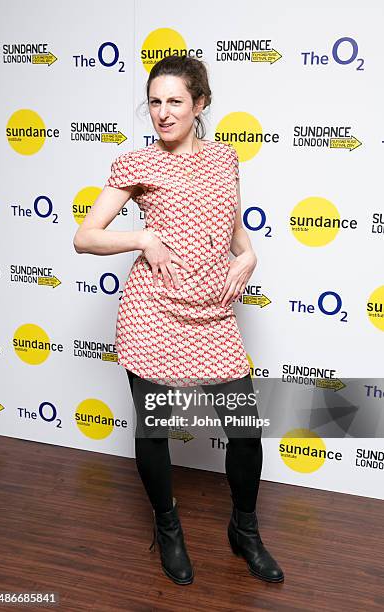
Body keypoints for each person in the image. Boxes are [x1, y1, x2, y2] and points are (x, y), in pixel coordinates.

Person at [73, 55, 284, 586]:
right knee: (156, 430)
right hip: (153, 311)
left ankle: (245, 530)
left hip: (213, 312)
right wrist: (142, 236)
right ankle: (168, 528)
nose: (163, 113)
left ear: (200, 105)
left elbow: (231, 227)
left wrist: (249, 255)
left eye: (175, 101)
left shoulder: (224, 159)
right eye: (154, 102)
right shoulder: (137, 164)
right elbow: (85, 236)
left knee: (244, 429)